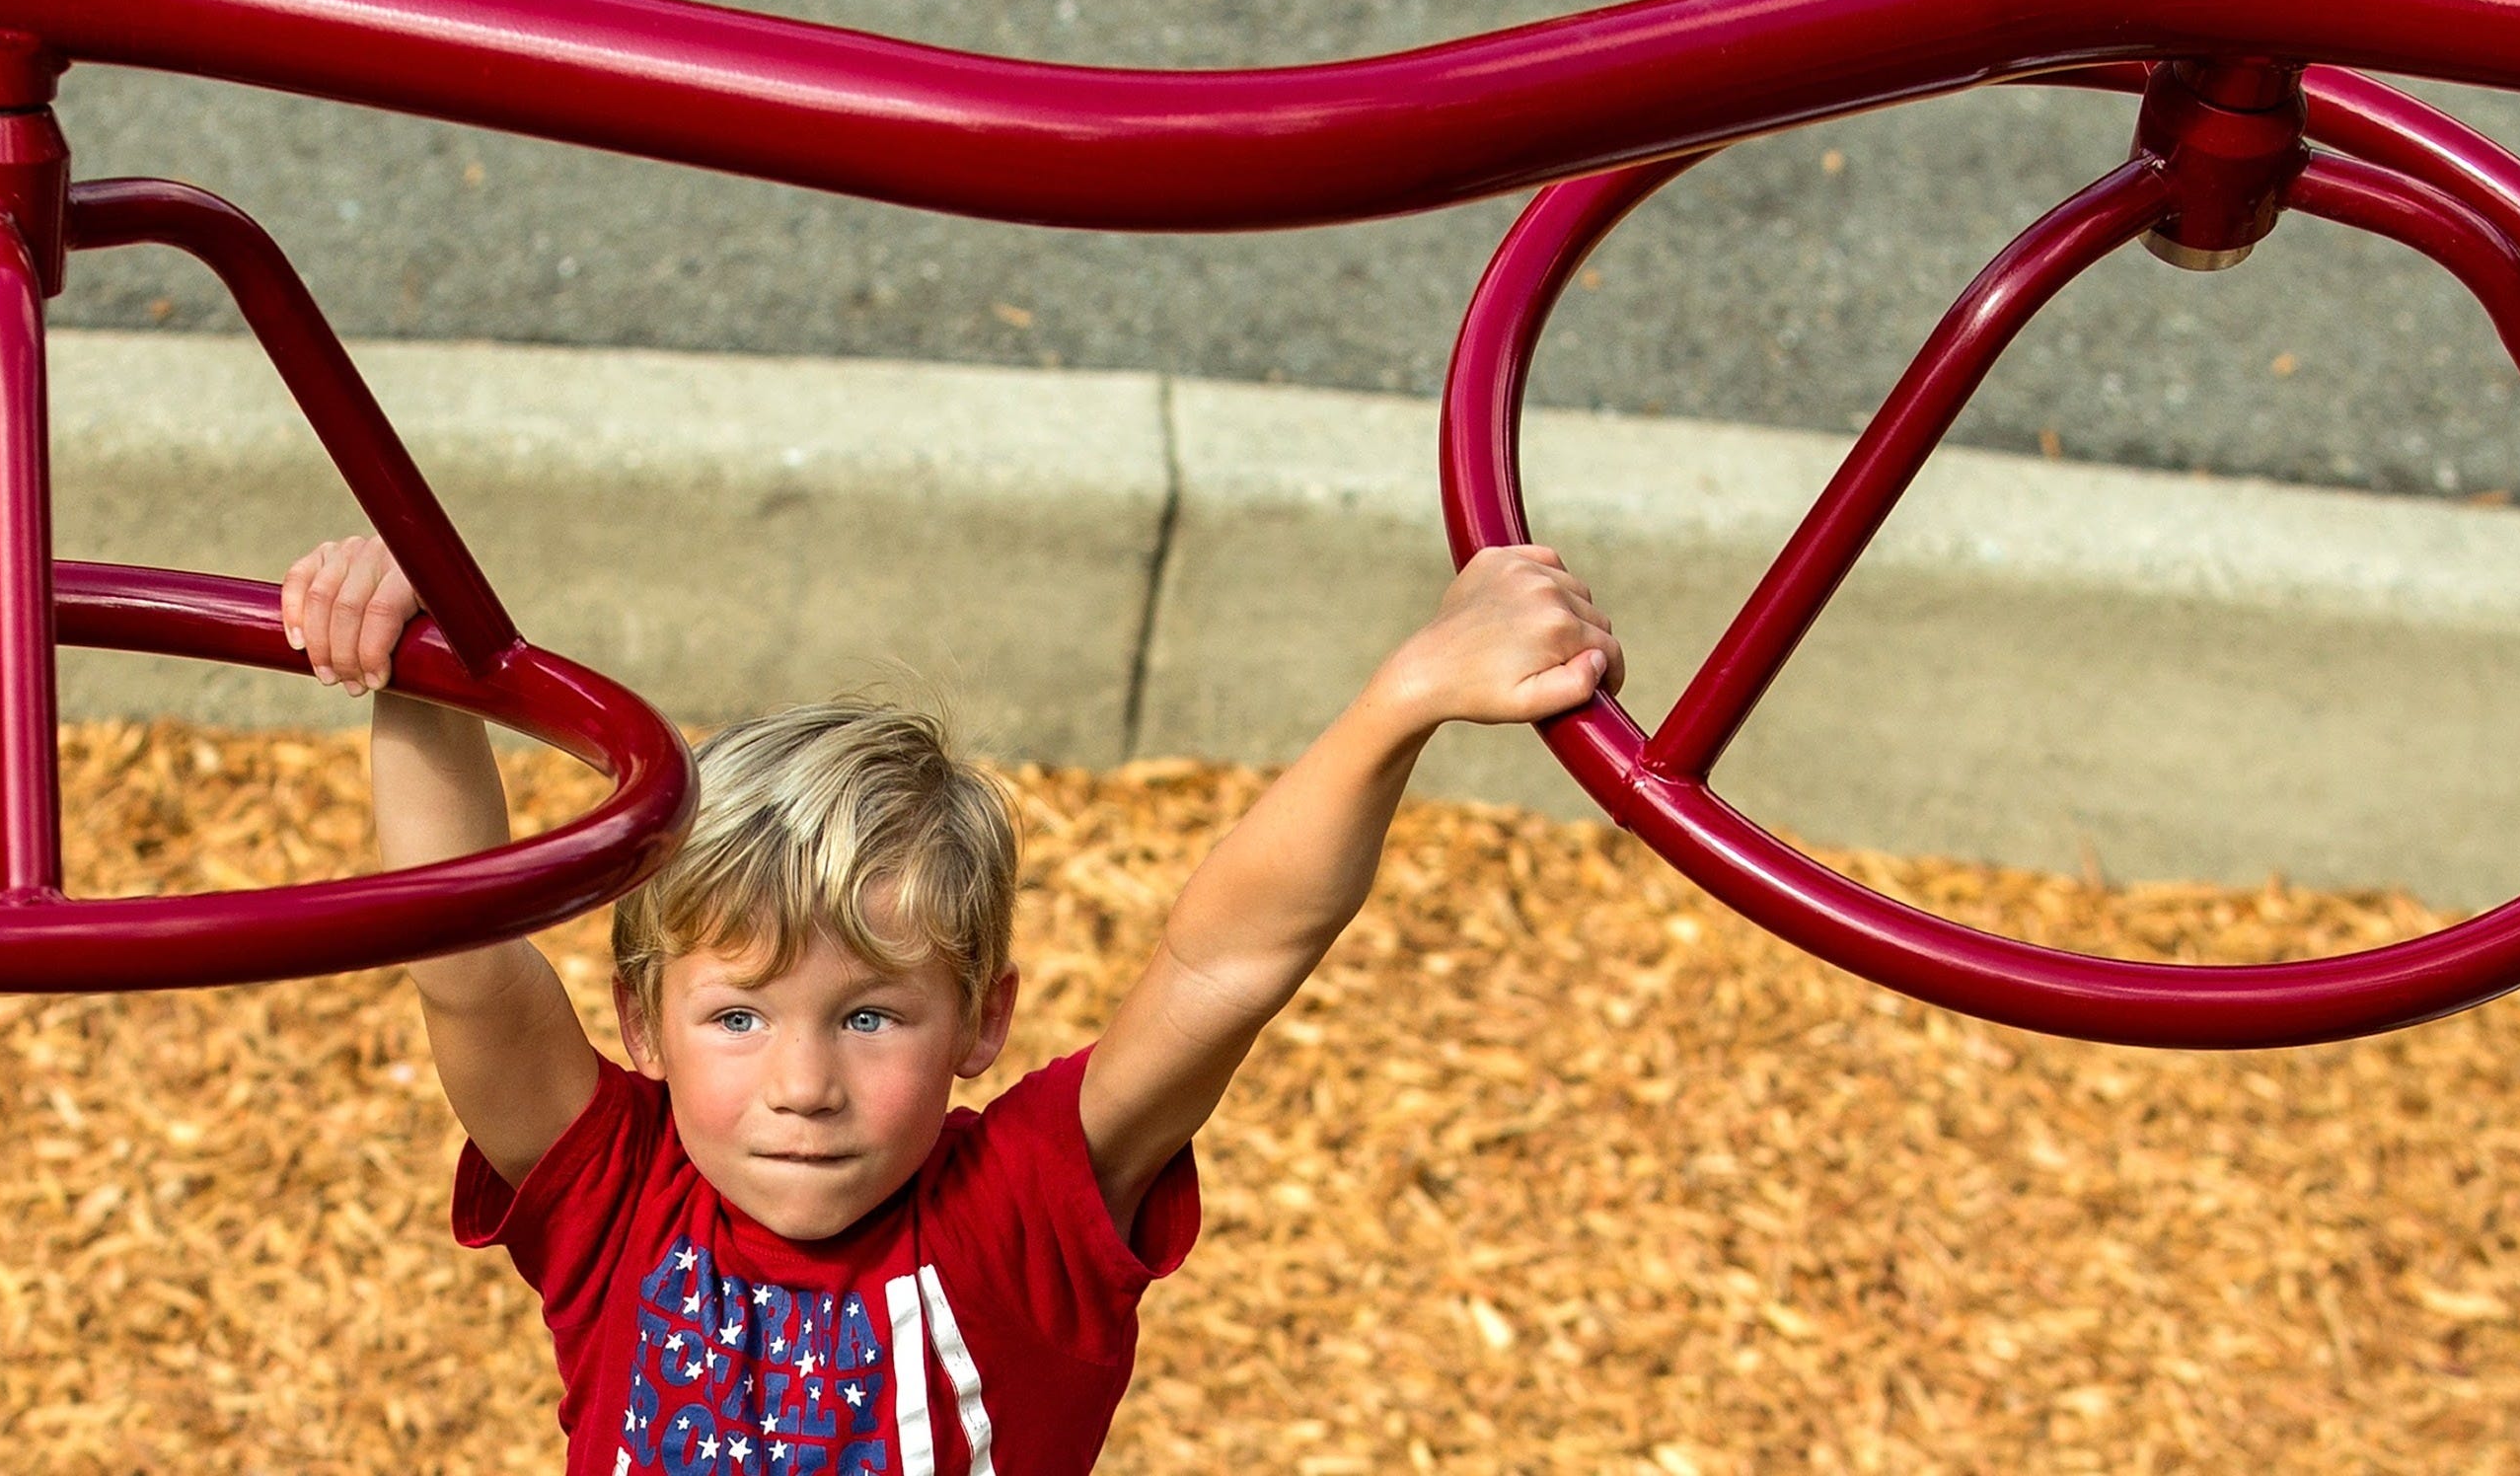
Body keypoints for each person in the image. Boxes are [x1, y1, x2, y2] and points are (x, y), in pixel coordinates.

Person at [276, 534, 1619, 1476]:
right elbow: (464, 961)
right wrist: (419, 682)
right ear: (643, 1025)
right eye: (737, 1018)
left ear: (981, 1021)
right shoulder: (617, 1203)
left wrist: (1401, 703)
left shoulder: (1027, 1217)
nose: (802, 1086)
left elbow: (1226, 964)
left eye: (869, 1018)